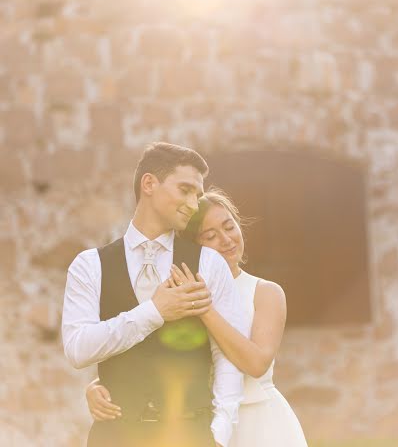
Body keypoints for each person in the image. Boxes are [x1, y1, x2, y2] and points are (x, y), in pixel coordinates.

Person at [87, 188, 308, 446]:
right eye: (211, 235)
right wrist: (97, 386)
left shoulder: (265, 292)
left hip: (257, 423)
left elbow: (257, 363)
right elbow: (150, 355)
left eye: (229, 227)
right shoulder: (175, 294)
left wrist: (204, 309)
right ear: (193, 247)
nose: (226, 240)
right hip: (201, 425)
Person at [62, 143, 246, 447]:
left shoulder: (209, 263)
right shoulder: (89, 265)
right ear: (149, 184)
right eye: (185, 190)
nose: (192, 203)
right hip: (114, 436)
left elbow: (227, 355)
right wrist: (155, 311)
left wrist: (220, 433)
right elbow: (78, 349)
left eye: (197, 196)